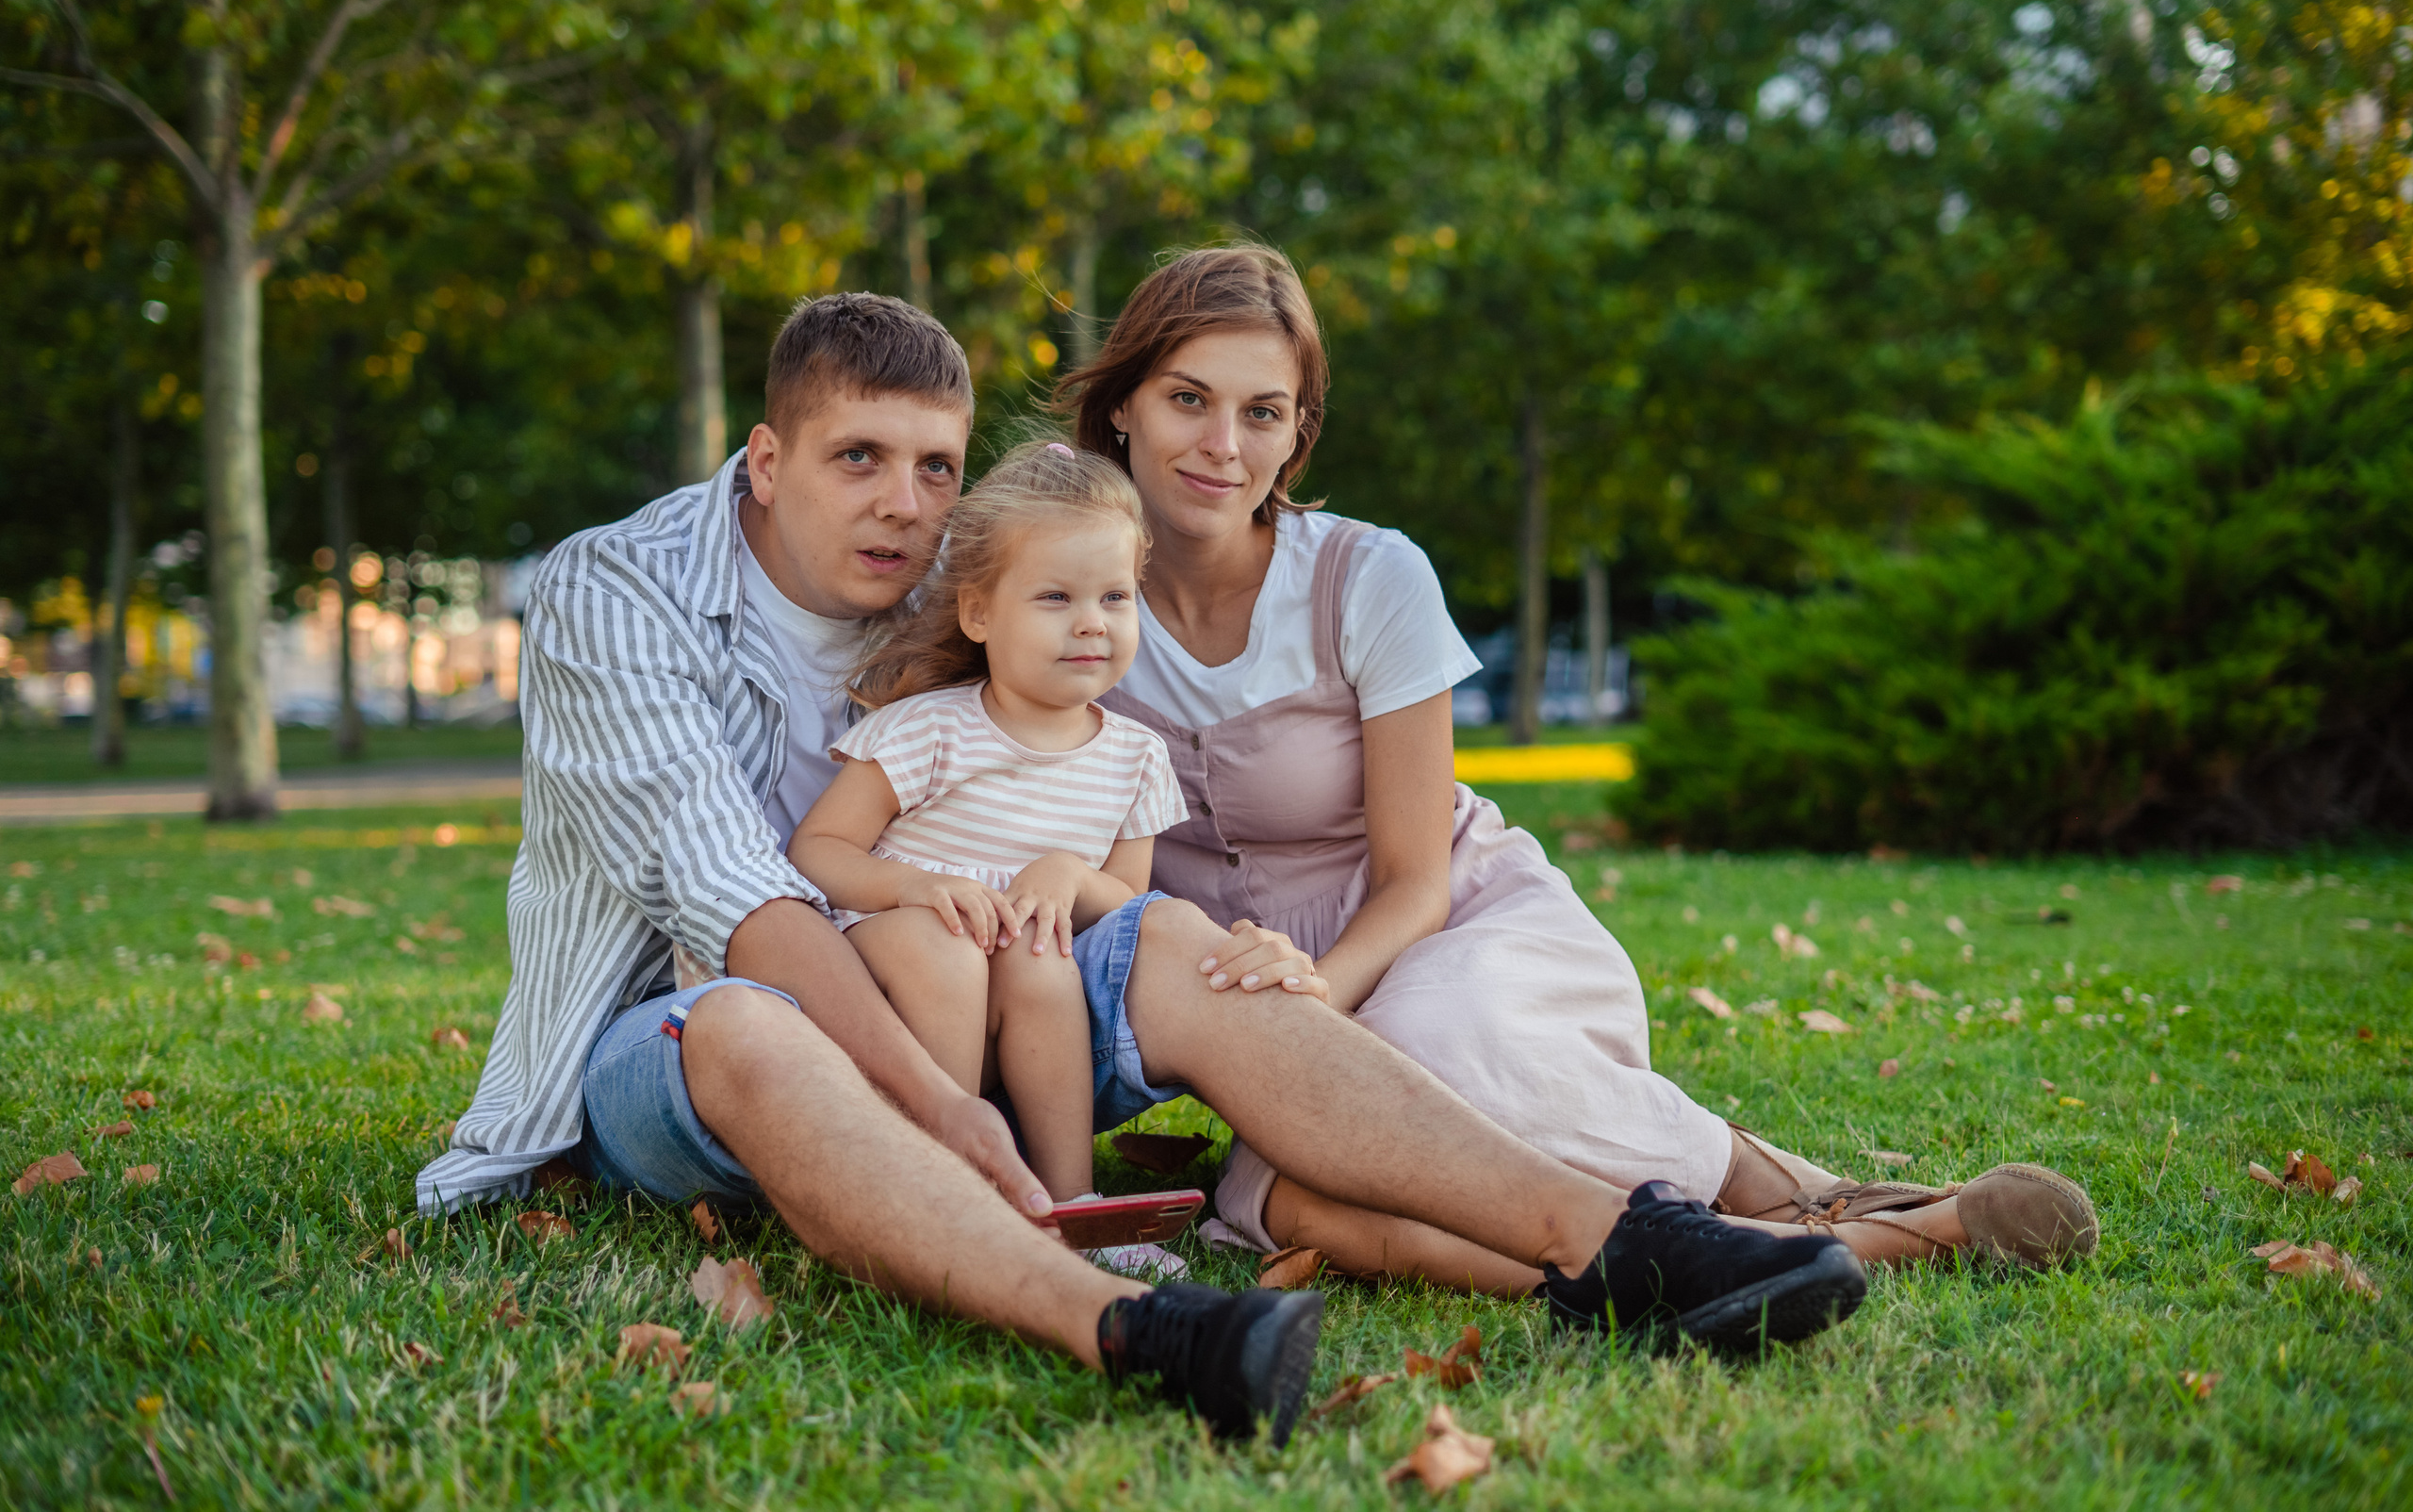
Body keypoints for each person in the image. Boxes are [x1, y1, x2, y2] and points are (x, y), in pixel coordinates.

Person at [416, 293, 1870, 1453]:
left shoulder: (962, 577)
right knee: (747, 1015)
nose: (902, 503)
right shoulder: (615, 587)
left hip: (981, 990)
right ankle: (1132, 1326)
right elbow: (745, 903)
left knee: (1182, 938)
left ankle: (1622, 1237)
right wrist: (941, 1117)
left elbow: (1109, 656)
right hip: (677, 1035)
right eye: (858, 458)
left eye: (935, 467)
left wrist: (1135, 896)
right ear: (768, 457)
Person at [1059, 243, 2101, 1291]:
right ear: (1123, 408)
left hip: (1442, 930)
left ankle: (1753, 1174)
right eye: (1187, 399)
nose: (1222, 446)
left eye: (1263, 413)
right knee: (1302, 1201)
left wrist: (1311, 1005)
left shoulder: (1367, 577)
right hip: (1248, 997)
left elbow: (1415, 879)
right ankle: (1798, 1250)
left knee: (1427, 1055)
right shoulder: (1058, 596)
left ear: (1297, 433)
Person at [791, 440, 1185, 1265]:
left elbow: (1132, 911)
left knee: (1043, 960)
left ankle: (1068, 1201)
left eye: (1116, 595)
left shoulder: (1137, 757)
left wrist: (1070, 875)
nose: (1091, 621)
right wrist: (918, 886)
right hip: (896, 952)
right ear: (978, 612)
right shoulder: (930, 727)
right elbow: (818, 848)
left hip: (1019, 982)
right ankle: (936, 1183)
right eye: (1055, 596)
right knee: (953, 950)